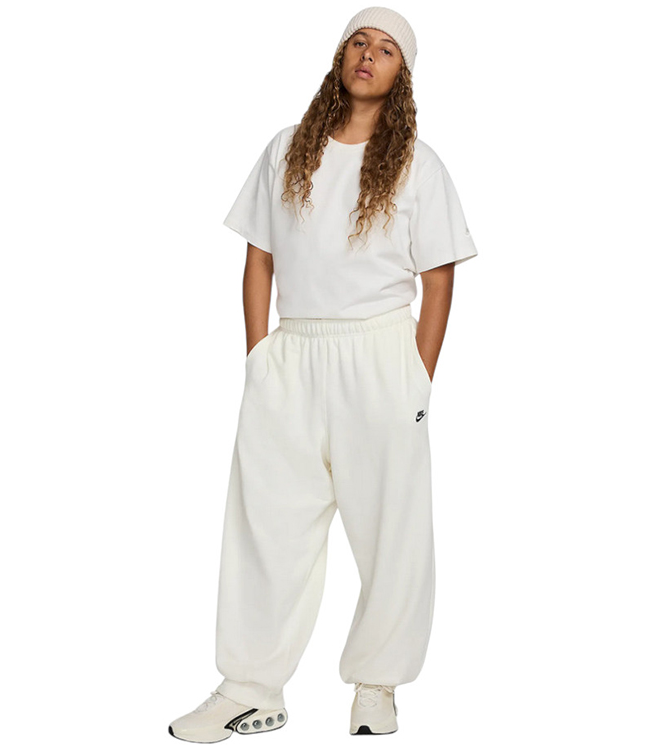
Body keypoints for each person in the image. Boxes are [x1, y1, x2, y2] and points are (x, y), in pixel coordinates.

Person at [168, 6, 478, 743]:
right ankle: (250, 688)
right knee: (267, 523)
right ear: (340, 57)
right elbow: (259, 258)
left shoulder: (418, 164)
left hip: (379, 354)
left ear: (403, 75)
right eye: (358, 42)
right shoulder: (286, 150)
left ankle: (377, 684)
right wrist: (258, 354)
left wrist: (418, 378)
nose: (369, 54)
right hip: (293, 353)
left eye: (387, 49)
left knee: (390, 527)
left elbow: (438, 278)